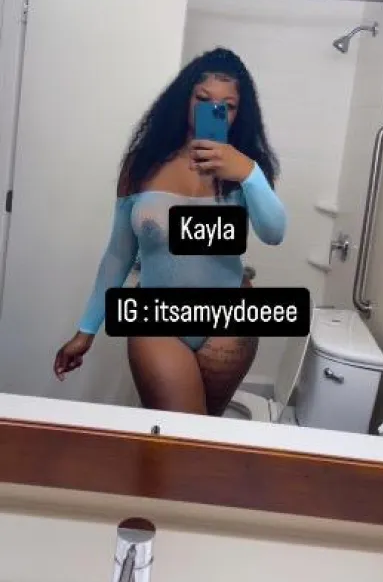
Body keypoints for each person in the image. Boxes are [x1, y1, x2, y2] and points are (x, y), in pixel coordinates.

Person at [53, 48, 286, 416]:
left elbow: (274, 233)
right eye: (203, 99)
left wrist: (247, 172)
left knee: (206, 433)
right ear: (184, 98)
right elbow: (119, 254)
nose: (214, 110)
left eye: (228, 106)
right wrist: (87, 330)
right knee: (178, 432)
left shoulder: (243, 169)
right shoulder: (143, 164)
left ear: (239, 113)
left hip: (228, 323)